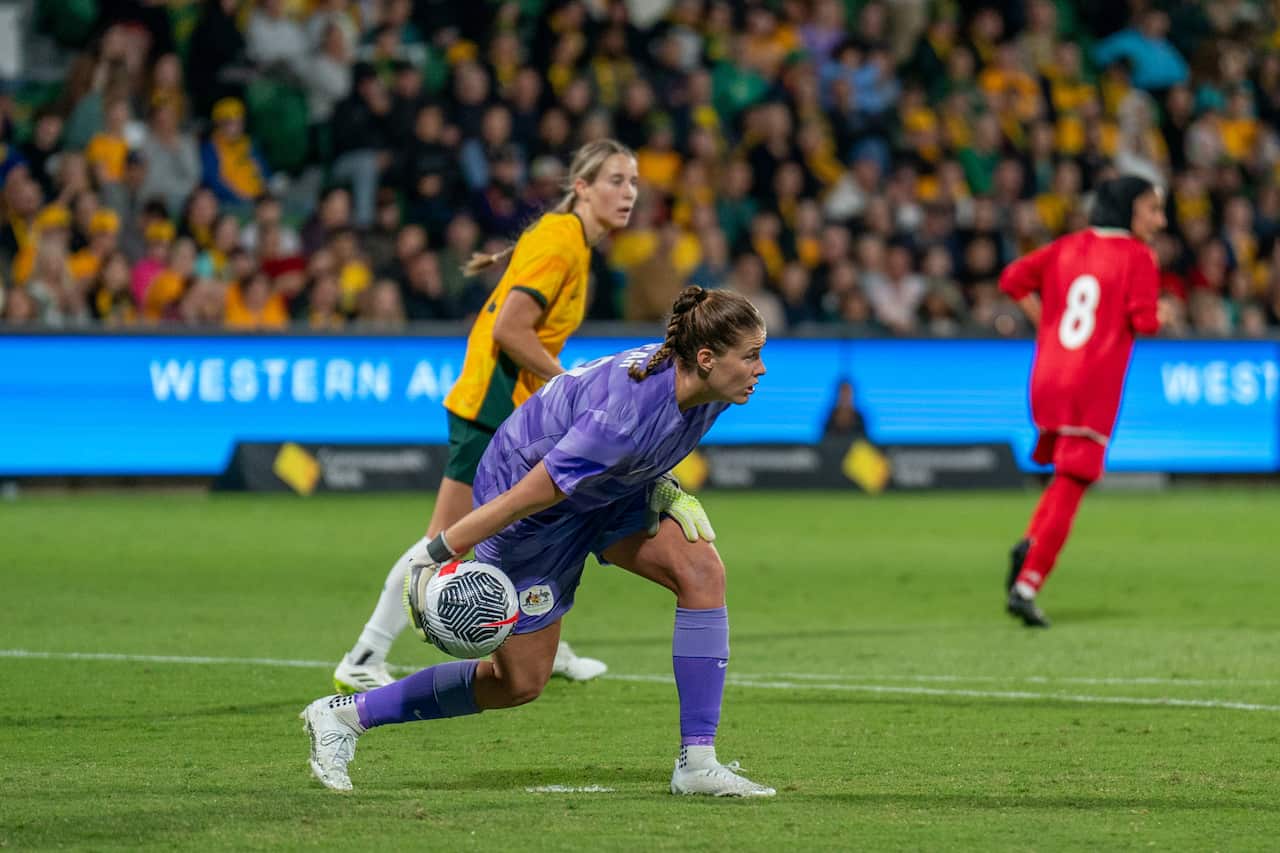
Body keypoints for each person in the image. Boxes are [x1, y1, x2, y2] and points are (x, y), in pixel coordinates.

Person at [303, 286, 774, 797]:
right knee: (519, 683)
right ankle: (347, 716)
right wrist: (432, 555)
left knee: (702, 572)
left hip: (601, 488)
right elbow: (521, 500)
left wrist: (660, 484)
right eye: (751, 356)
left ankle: (697, 762)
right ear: (705, 358)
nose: (761, 368)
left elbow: (644, 445)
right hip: (530, 510)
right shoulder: (623, 418)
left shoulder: (707, 392)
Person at [332, 140, 652, 693]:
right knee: (447, 538)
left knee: (539, 522)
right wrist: (568, 384)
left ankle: (546, 641)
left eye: (634, 182)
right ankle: (365, 653)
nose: (629, 193)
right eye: (616, 180)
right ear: (582, 187)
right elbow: (509, 329)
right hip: (492, 406)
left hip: (513, 408)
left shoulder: (570, 241)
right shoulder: (560, 241)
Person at [998, 175, 1169, 627]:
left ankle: (1030, 545)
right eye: (1152, 209)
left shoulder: (1066, 246)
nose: (1160, 220)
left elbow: (1012, 279)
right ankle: (1028, 583)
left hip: (1049, 374)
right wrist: (1163, 312)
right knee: (1074, 482)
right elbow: (1145, 322)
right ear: (1129, 210)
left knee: (1063, 477)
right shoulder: (1138, 256)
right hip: (1091, 383)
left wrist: (1046, 323)